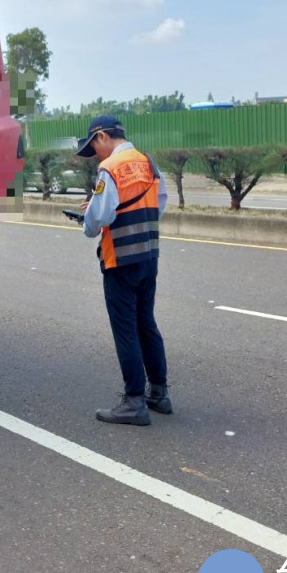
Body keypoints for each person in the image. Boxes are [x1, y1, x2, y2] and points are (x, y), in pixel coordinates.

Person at [71, 115, 172, 426]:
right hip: (148, 256)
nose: (95, 155)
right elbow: (160, 203)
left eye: (94, 147)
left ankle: (133, 401)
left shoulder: (110, 169)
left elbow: (97, 221)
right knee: (146, 323)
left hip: (120, 260)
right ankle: (159, 393)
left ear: (102, 136)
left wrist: (88, 218)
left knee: (125, 329)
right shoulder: (148, 162)